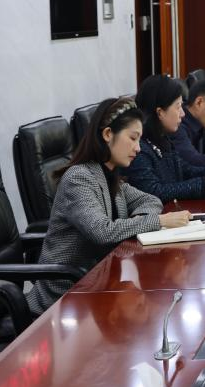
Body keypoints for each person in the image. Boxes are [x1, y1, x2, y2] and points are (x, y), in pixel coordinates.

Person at [26, 97, 191, 314]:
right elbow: (102, 232)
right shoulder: (79, 178)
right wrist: (157, 221)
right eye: (132, 138)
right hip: (65, 298)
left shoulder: (109, 175)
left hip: (99, 283)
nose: (138, 148)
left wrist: (140, 220)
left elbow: (151, 200)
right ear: (107, 134)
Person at [128, 74, 205, 200]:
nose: (182, 113)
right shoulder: (139, 148)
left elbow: (183, 169)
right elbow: (154, 191)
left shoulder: (163, 138)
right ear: (160, 112)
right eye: (178, 107)